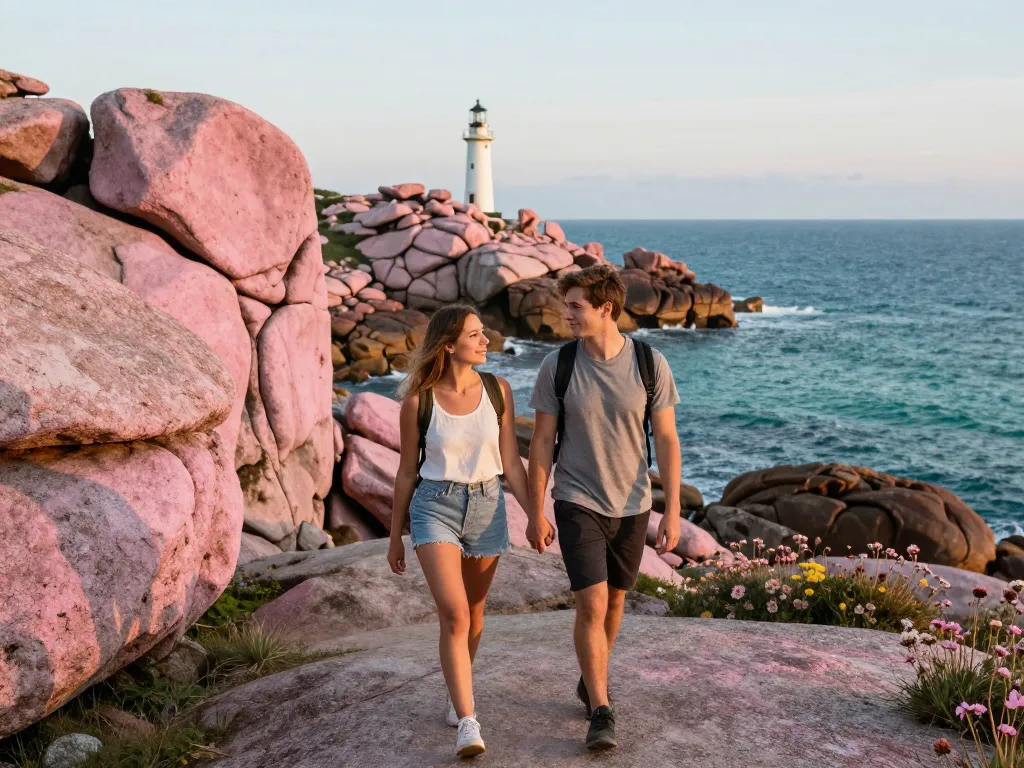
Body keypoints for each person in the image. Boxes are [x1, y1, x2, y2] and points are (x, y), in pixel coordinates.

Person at [526, 264, 682, 750]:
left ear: (606, 309)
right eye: (566, 305)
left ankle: (591, 678)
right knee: (592, 602)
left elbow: (668, 439)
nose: (566, 314)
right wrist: (535, 510)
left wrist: (672, 510)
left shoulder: (649, 363)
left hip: (633, 502)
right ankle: (601, 708)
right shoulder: (559, 365)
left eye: (576, 306)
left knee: (616, 600)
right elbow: (541, 443)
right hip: (577, 498)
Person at [387, 304, 531, 759]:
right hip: (435, 507)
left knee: (476, 611)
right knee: (455, 615)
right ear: (449, 345)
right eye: (475, 334)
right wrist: (396, 535)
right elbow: (406, 471)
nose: (486, 340)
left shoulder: (498, 391)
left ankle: (457, 689)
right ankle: (468, 722)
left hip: (488, 506)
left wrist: (536, 514)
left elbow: (512, 462)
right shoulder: (418, 402)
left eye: (483, 332)